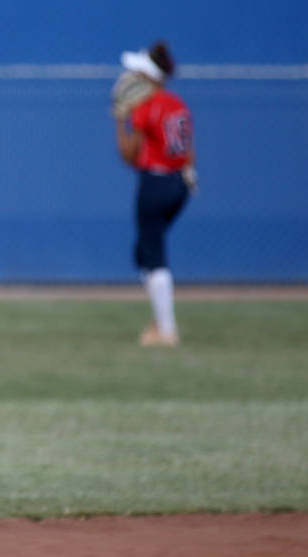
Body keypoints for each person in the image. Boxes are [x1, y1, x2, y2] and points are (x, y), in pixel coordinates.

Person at [115, 40, 196, 347]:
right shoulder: (178, 104)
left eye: (137, 73)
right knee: (144, 252)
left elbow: (128, 155)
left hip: (155, 182)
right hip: (181, 184)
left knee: (152, 253)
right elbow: (189, 152)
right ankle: (160, 319)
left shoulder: (146, 107)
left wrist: (119, 120)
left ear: (148, 76)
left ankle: (166, 328)